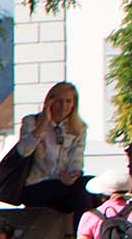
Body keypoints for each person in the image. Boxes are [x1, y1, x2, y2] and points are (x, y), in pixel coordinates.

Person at [8, 81, 100, 214]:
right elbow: (24, 151)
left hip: (63, 185)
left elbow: (77, 158)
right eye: (59, 101)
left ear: (74, 104)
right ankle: (82, 233)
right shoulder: (31, 122)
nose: (63, 106)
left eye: (68, 101)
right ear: (49, 102)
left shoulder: (79, 128)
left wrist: (73, 175)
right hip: (36, 186)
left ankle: (84, 231)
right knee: (81, 191)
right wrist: (43, 124)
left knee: (92, 185)